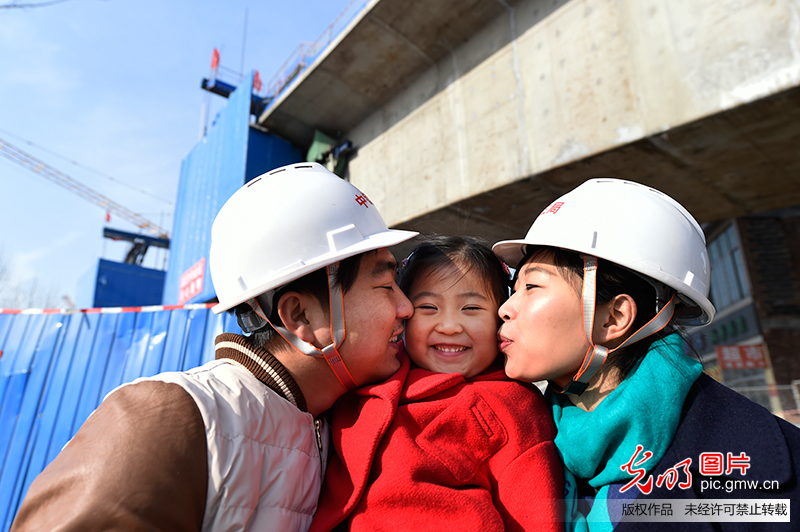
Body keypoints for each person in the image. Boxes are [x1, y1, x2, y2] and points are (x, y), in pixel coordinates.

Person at [10, 162, 418, 532]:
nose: (406, 306)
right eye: (385, 286)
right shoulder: (168, 422)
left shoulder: (337, 422)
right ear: (301, 316)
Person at [493, 178, 800, 531]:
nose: (505, 308)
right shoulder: (516, 440)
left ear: (613, 317)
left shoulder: (759, 477)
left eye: (532, 286)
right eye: (513, 289)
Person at [311, 235, 564, 532]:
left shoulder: (513, 404)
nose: (449, 326)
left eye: (471, 309)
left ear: (500, 318)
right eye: (428, 308)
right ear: (403, 314)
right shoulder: (367, 379)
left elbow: (536, 512)